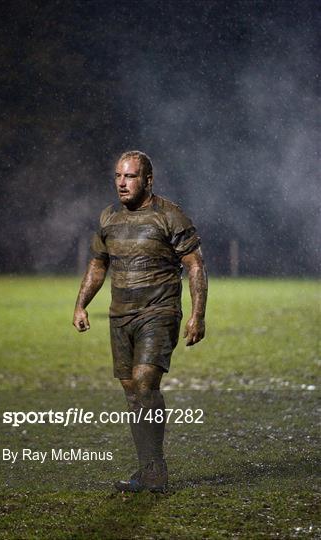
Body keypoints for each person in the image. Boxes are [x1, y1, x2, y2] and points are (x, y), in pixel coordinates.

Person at [73, 150, 208, 492]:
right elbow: (98, 264)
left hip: (159, 312)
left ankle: (155, 470)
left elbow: (194, 265)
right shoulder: (108, 218)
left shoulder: (170, 215)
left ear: (148, 180)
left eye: (130, 176)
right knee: (132, 393)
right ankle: (148, 471)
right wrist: (81, 305)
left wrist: (197, 314)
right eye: (118, 176)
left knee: (145, 383)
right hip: (120, 316)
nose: (121, 182)